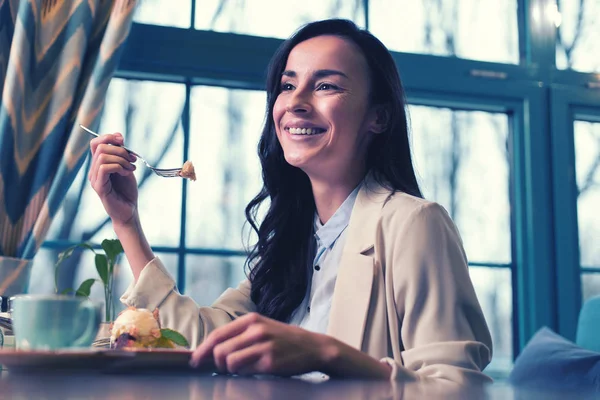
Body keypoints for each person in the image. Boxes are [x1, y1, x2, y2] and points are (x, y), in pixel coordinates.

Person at [88, 19, 492, 382]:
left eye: (326, 85)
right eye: (287, 85)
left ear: (379, 117)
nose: (296, 101)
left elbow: (457, 389)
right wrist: (126, 221)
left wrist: (326, 354)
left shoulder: (415, 224)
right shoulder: (294, 241)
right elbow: (200, 341)